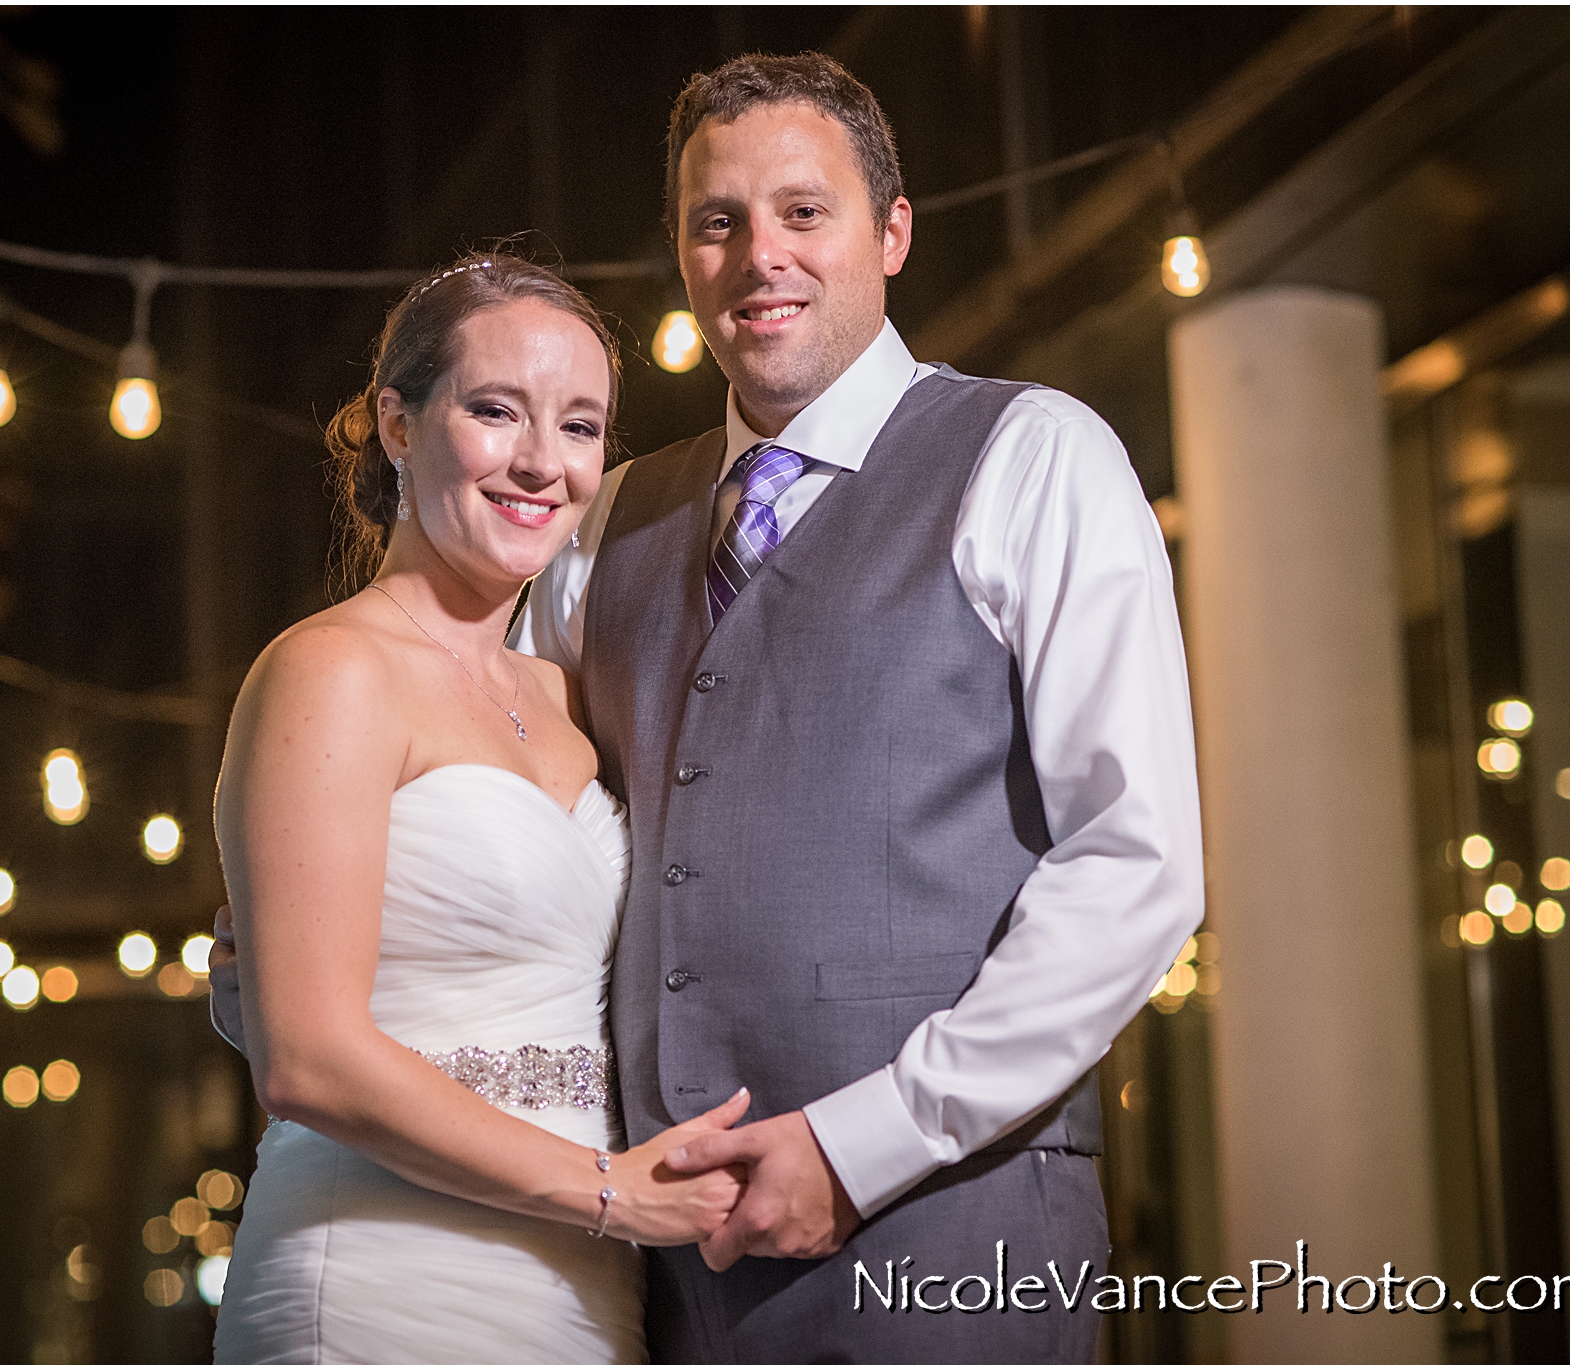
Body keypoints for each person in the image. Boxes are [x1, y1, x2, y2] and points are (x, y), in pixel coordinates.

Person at [504, 53, 1204, 1361]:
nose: (758, 252)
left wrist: (864, 1137)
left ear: (892, 232)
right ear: (682, 254)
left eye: (802, 211)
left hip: (954, 1231)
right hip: (668, 1275)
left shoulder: (1035, 454)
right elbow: (493, 785)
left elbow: (1137, 861)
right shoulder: (606, 523)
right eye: (718, 222)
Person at [207, 252, 748, 1365]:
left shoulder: (562, 697)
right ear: (397, 426)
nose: (541, 463)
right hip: (378, 1273)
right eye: (495, 410)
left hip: (580, 1289)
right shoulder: (328, 672)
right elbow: (304, 1054)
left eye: (583, 426)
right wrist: (608, 1192)